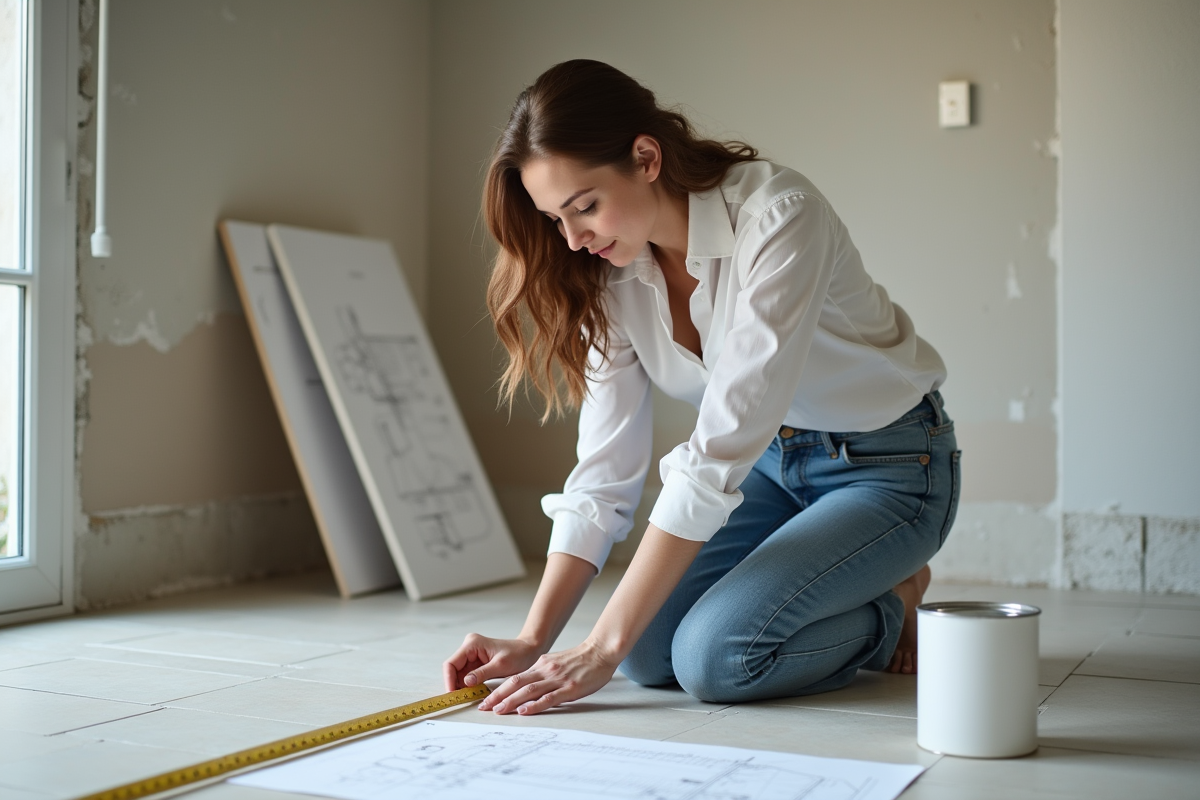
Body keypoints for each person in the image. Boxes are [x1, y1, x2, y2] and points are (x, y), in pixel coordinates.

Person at [443, 60, 960, 716]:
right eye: (555, 220)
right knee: (646, 655)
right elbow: (603, 473)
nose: (573, 239)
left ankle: (895, 596)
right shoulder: (610, 273)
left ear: (646, 156)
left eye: (585, 206)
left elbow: (717, 448)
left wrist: (596, 648)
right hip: (772, 466)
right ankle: (836, 574)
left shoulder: (780, 216)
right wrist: (534, 637)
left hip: (890, 467)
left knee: (716, 660)